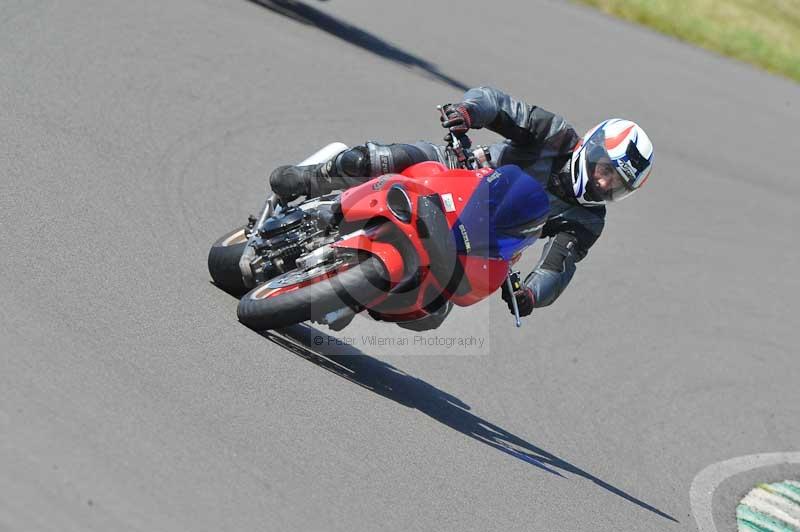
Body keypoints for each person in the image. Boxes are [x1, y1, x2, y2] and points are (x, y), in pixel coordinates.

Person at [269, 86, 653, 327]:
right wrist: (469, 112)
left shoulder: (588, 218)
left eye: (617, 184)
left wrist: (532, 294)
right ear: (593, 147)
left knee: (432, 314)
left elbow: (558, 267)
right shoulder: (555, 134)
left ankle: (364, 291)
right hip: (458, 170)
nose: (604, 184)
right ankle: (310, 178)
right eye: (606, 170)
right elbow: (502, 106)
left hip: (481, 239)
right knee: (383, 158)